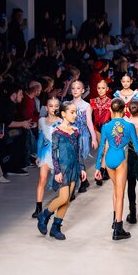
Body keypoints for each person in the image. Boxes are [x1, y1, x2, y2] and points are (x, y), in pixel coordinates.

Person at [95, 98, 138, 240]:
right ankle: (118, 229)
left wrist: (97, 167)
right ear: (124, 110)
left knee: (115, 190)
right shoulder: (129, 126)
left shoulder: (106, 126)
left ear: (110, 110)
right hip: (121, 160)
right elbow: (137, 147)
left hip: (109, 160)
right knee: (120, 194)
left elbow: (102, 147)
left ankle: (115, 220)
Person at [35, 102, 87, 240]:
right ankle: (44, 215)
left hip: (74, 168)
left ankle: (56, 227)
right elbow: (54, 153)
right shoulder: (57, 132)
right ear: (63, 114)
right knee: (63, 197)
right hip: (63, 169)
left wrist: (82, 168)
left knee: (67, 200)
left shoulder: (76, 131)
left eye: (76, 112)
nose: (75, 115)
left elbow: (78, 152)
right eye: (72, 112)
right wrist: (57, 171)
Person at [65, 80, 96, 194]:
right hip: (70, 134)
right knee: (71, 159)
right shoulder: (67, 104)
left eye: (78, 88)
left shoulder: (86, 105)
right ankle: (81, 180)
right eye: (73, 88)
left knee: (79, 157)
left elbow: (89, 122)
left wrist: (93, 138)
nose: (75, 90)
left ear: (83, 90)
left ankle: (81, 182)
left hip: (82, 135)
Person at [32, 96, 60, 218]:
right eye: (51, 106)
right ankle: (38, 207)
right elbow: (40, 139)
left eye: (56, 106)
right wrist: (38, 155)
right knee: (42, 179)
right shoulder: (41, 121)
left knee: (59, 180)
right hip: (45, 153)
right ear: (46, 107)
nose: (53, 108)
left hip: (58, 154)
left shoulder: (62, 121)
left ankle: (60, 203)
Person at [90, 80, 112, 186]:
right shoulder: (93, 101)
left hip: (107, 128)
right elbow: (89, 118)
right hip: (97, 128)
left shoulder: (111, 102)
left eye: (103, 88)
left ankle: (101, 172)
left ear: (107, 89)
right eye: (99, 88)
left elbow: (114, 117)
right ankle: (105, 170)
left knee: (106, 149)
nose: (100, 90)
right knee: (102, 150)